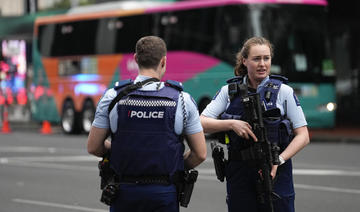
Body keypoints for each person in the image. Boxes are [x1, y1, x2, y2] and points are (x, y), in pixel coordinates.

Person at [87, 35, 207, 212]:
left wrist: (122, 151)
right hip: (164, 192)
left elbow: (93, 147)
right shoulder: (182, 100)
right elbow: (200, 154)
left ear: (135, 59)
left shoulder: (113, 97)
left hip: (123, 192)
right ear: (164, 61)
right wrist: (173, 164)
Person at [200, 36, 309, 212]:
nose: (262, 64)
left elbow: (303, 136)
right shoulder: (229, 91)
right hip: (240, 173)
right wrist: (232, 124)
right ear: (244, 61)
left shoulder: (284, 91)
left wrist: (279, 160)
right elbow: (201, 123)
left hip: (276, 170)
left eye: (266, 58)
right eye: (256, 59)